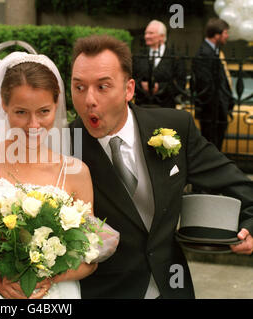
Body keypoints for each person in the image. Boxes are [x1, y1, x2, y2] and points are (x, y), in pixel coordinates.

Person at [69, 34, 253, 299]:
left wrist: (249, 226)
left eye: (103, 86)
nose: (89, 100)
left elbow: (239, 186)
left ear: (129, 89)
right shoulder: (64, 148)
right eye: (79, 87)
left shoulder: (175, 128)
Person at [0, 51, 119, 299]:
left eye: (43, 111)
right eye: (21, 112)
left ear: (56, 105)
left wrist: (51, 276)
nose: (33, 125)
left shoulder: (76, 172)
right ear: (4, 104)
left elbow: (90, 256)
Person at [192, 18, 235, 150]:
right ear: (217, 35)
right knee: (211, 148)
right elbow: (206, 86)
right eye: (225, 33)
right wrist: (221, 104)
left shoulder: (214, 52)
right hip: (211, 112)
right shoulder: (204, 53)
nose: (227, 36)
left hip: (217, 111)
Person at [133, 20, 186, 109]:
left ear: (162, 36)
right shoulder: (138, 56)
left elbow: (181, 83)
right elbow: (132, 78)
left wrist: (160, 87)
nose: (146, 36)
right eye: (146, 33)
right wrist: (141, 85)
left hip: (165, 107)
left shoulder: (175, 57)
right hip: (142, 107)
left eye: (150, 33)